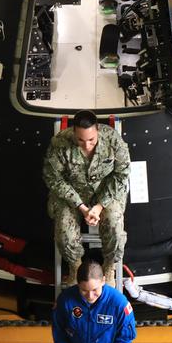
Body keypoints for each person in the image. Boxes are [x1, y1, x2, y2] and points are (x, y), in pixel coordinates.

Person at [42, 109, 131, 284]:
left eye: (91, 140)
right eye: (81, 140)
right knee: (64, 232)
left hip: (106, 192)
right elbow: (53, 179)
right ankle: (75, 266)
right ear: (74, 132)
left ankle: (109, 266)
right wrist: (81, 207)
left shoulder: (112, 140)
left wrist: (99, 206)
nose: (87, 145)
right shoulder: (60, 143)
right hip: (72, 193)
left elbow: (122, 175)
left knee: (115, 225)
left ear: (97, 130)